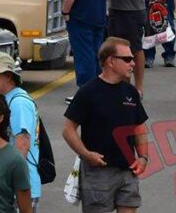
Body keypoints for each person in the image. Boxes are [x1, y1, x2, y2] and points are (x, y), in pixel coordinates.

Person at [63, 37, 150, 213]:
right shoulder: (88, 92)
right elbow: (68, 129)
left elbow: (139, 127)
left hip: (128, 170)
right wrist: (85, 154)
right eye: (127, 59)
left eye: (132, 58)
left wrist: (143, 157)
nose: (133, 63)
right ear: (110, 61)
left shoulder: (130, 92)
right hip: (98, 173)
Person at [0, 53, 42, 209]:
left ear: (8, 76)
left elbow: (22, 145)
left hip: (18, 187)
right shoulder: (8, 99)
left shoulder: (18, 103)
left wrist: (6, 182)